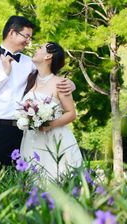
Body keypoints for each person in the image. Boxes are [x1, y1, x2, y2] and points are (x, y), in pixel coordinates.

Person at [0, 16, 75, 170]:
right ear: (12, 33)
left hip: (22, 132)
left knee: (21, 181)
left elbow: (49, 77)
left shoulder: (29, 62)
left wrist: (70, 84)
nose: (29, 41)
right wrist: (4, 74)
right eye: (26, 36)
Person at [20, 42, 82, 179]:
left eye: (40, 48)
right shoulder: (30, 80)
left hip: (53, 138)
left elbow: (71, 113)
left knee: (54, 177)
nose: (36, 49)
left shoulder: (60, 83)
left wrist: (49, 124)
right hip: (31, 139)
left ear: (48, 56)